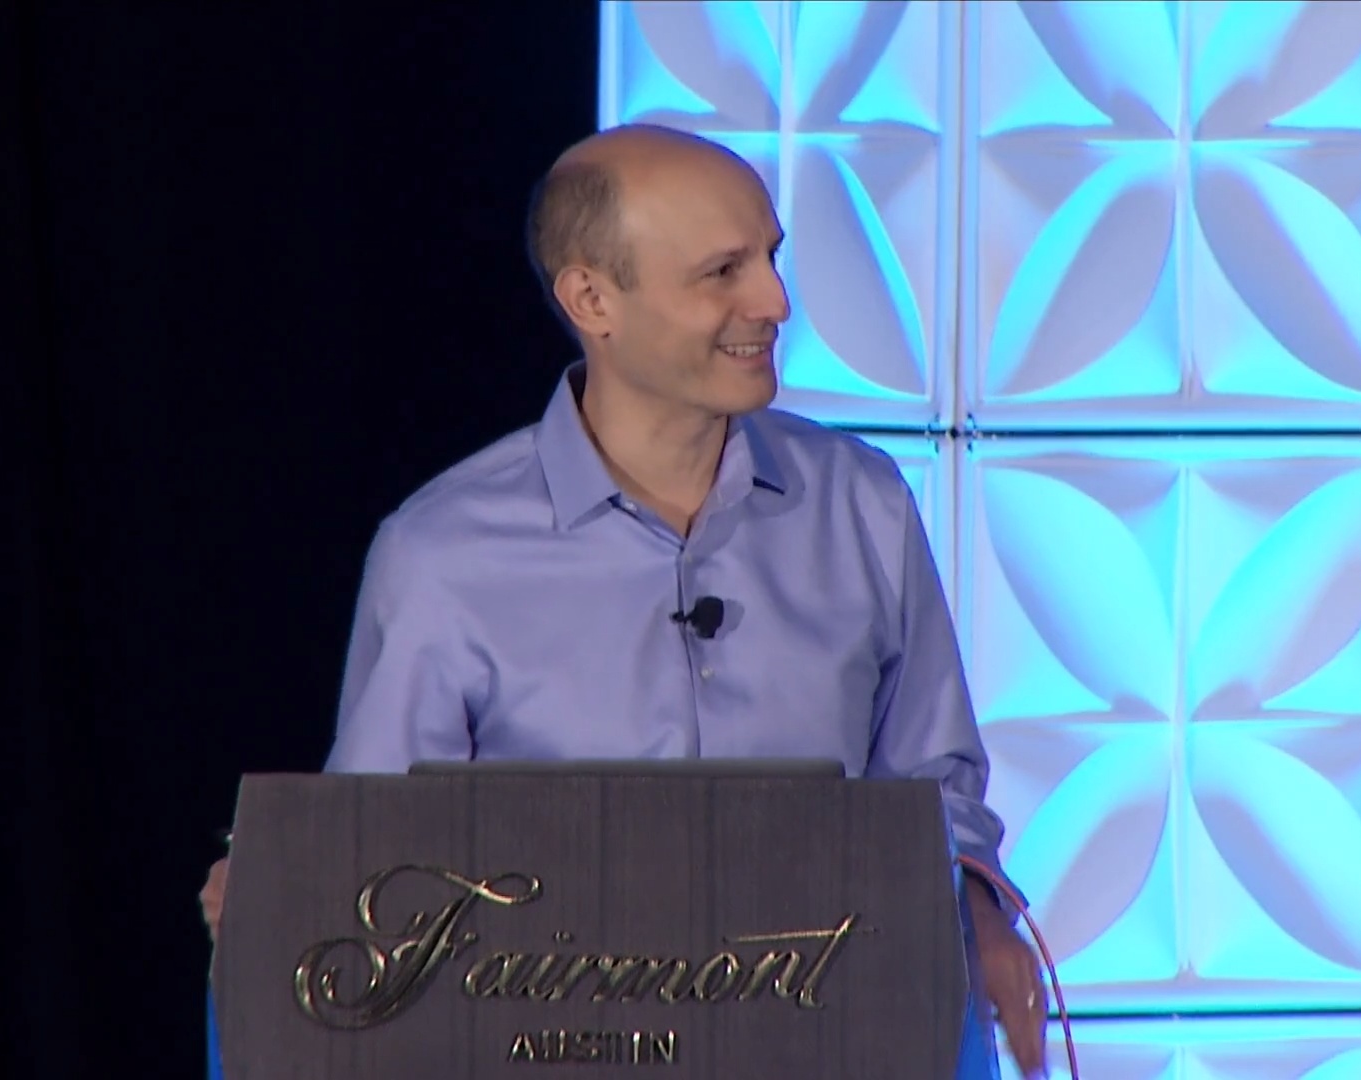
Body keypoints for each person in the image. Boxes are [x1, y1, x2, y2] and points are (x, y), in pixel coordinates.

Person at [200, 123, 1050, 1077]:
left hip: (832, 1040)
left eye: (770, 257)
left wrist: (979, 914)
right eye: (722, 272)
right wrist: (285, 883)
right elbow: (377, 859)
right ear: (593, 300)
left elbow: (934, 786)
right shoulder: (441, 552)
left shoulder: (864, 505)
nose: (773, 302)